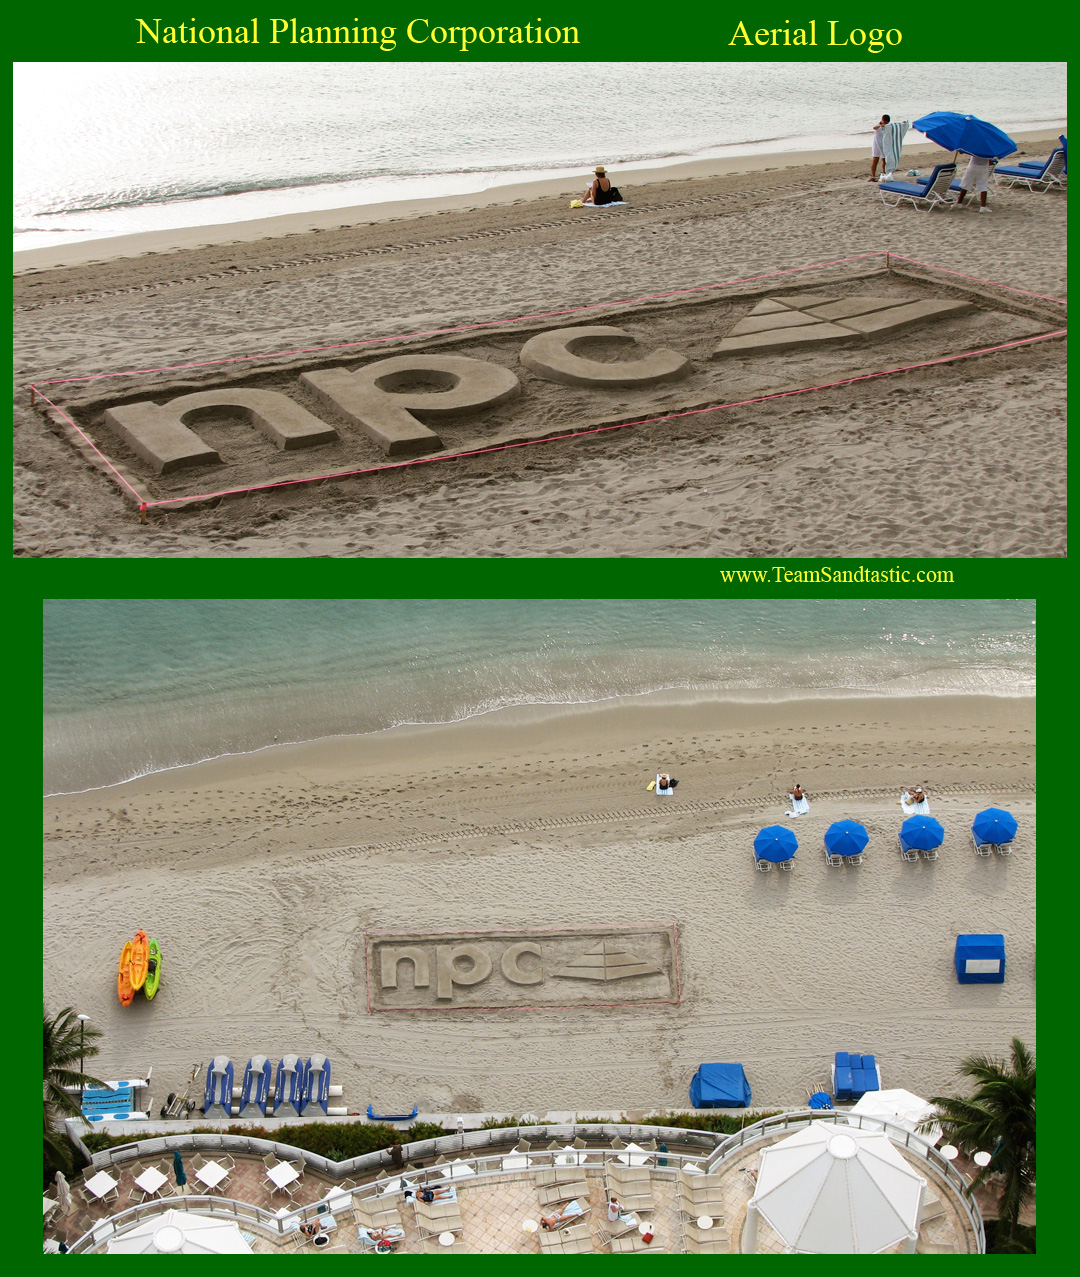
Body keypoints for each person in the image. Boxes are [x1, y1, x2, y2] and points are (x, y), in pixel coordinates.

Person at [870, 114, 890, 180]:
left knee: (884, 160)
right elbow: (874, 127)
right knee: (875, 160)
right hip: (876, 144)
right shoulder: (877, 124)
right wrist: (881, 125)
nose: (886, 123)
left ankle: (885, 173)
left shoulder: (887, 126)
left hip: (884, 144)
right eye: (886, 122)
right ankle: (873, 176)